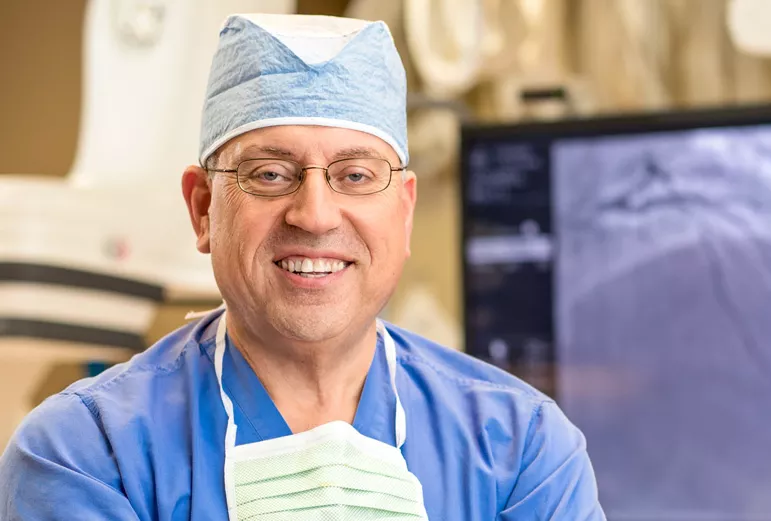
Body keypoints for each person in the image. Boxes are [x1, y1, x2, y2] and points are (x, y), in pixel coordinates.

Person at [0, 13, 604, 520]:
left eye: (356, 175)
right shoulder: (86, 455)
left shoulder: (522, 451)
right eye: (269, 174)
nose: (315, 215)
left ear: (404, 210)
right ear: (204, 208)